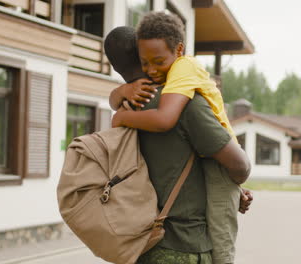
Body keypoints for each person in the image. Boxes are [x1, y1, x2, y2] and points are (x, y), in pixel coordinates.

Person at [105, 25, 252, 264]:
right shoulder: (182, 102)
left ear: (115, 67)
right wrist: (231, 185)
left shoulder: (125, 108)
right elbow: (239, 165)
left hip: (140, 244)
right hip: (184, 247)